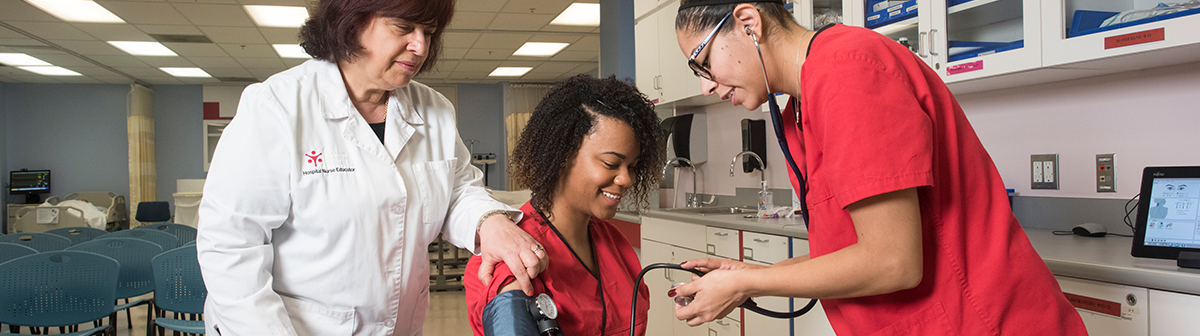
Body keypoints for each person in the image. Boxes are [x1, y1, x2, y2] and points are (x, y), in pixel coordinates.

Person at [668, 1, 1088, 335]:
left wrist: (748, 285)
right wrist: (751, 275)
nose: (705, 85)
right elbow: (850, 251)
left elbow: (892, 260)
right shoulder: (806, 102)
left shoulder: (847, 72)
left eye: (701, 61)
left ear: (747, 22)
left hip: (981, 321)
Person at [196, 0, 548, 334]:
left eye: (429, 32)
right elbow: (231, 246)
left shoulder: (434, 110)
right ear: (351, 21)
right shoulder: (277, 107)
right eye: (404, 27)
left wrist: (490, 221)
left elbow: (457, 190)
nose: (420, 46)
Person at [464, 74, 665, 336]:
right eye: (610, 164)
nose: (626, 179)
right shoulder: (511, 258)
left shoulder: (613, 243)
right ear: (562, 156)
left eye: (633, 167)